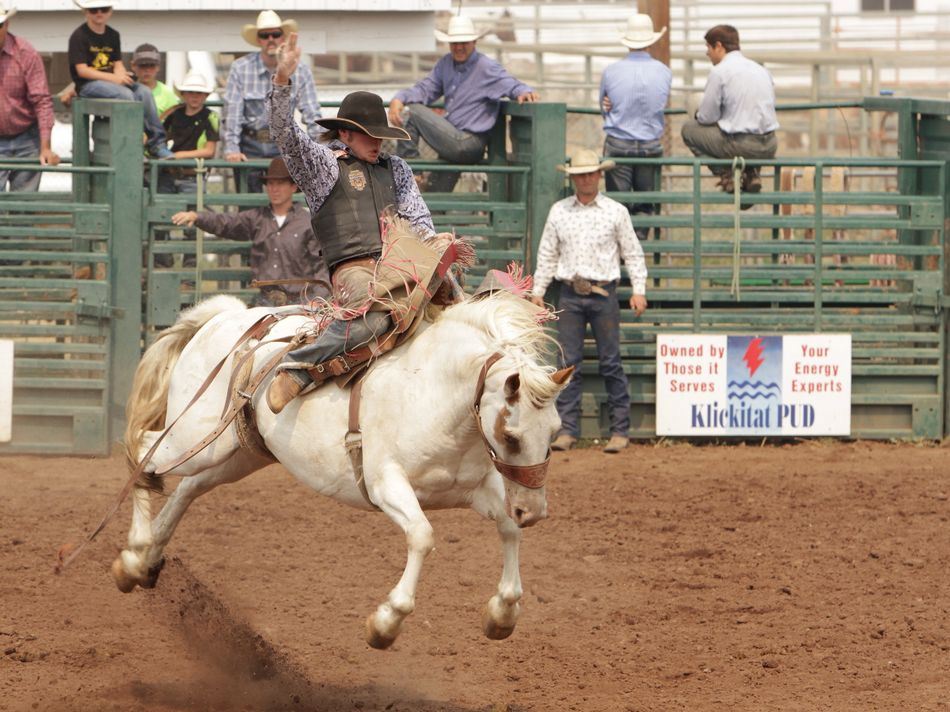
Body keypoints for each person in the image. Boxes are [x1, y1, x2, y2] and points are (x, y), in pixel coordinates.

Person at [265, 33, 448, 414]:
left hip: (400, 264)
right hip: (355, 271)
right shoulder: (325, 166)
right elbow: (286, 135)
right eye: (369, 135)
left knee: (456, 305)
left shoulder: (396, 168)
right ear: (345, 134)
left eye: (380, 135)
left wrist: (434, 241)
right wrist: (283, 79)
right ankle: (299, 368)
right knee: (373, 316)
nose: (378, 143)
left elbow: (418, 219)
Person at [529, 149, 648, 454]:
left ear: (599, 175)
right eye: (580, 175)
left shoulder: (615, 212)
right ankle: (568, 429)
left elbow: (632, 251)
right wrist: (538, 290)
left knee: (611, 362)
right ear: (573, 179)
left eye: (590, 173)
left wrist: (639, 289)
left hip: (603, 292)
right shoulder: (559, 212)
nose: (585, 179)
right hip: (570, 291)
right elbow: (547, 253)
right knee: (568, 364)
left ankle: (619, 430)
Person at [387, 14, 539, 193]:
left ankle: (412, 172)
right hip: (453, 141)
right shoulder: (445, 64)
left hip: (469, 142)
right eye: (454, 43)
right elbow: (426, 88)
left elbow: (509, 83)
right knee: (435, 194)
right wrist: (400, 98)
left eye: (464, 42)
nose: (458, 47)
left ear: (473, 42)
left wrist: (523, 91)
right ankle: (429, 199)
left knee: (412, 112)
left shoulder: (486, 67)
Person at [170, 157, 329, 307]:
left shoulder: (307, 223)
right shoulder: (257, 218)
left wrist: (318, 299)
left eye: (280, 184)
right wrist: (197, 217)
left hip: (299, 301)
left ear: (293, 187)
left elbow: (321, 264)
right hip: (265, 300)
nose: (274, 189)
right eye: (270, 184)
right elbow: (227, 223)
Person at [224, 9, 322, 194]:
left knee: (285, 202)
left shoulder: (301, 70)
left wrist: (321, 148)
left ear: (283, 37)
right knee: (249, 205)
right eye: (264, 35)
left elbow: (312, 113)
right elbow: (232, 113)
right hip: (250, 146)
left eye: (275, 34)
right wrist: (232, 149)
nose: (271, 39)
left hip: (283, 145)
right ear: (258, 40)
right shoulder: (240, 68)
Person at [681, 24, 778, 198]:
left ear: (719, 46)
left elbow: (706, 117)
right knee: (738, 130)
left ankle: (727, 174)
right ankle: (751, 173)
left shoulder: (719, 72)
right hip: (770, 145)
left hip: (741, 145)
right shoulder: (761, 70)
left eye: (708, 47)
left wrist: (698, 113)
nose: (707, 53)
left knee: (688, 130)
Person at [67, 0, 173, 159]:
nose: (99, 13)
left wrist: (123, 76)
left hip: (111, 83)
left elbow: (117, 63)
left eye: (104, 9)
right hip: (87, 86)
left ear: (110, 11)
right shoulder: (78, 36)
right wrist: (115, 78)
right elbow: (82, 71)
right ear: (86, 12)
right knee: (127, 96)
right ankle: (132, 146)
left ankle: (156, 143)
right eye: (94, 9)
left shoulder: (113, 34)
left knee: (143, 91)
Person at [600, 14, 671, 239]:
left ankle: (619, 253)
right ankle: (637, 246)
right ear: (651, 41)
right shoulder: (664, 72)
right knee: (645, 204)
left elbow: (605, 109)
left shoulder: (611, 71)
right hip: (650, 145)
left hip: (619, 143)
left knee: (617, 205)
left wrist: (609, 105)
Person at [0, 2, 59, 191]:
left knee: (24, 205)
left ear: (7, 24)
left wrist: (45, 147)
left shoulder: (25, 53)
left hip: (27, 137)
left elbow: (42, 101)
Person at [130, 43, 179, 117]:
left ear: (158, 67)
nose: (147, 70)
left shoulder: (167, 94)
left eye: (151, 65)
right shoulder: (127, 92)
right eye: (143, 65)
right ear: (133, 66)